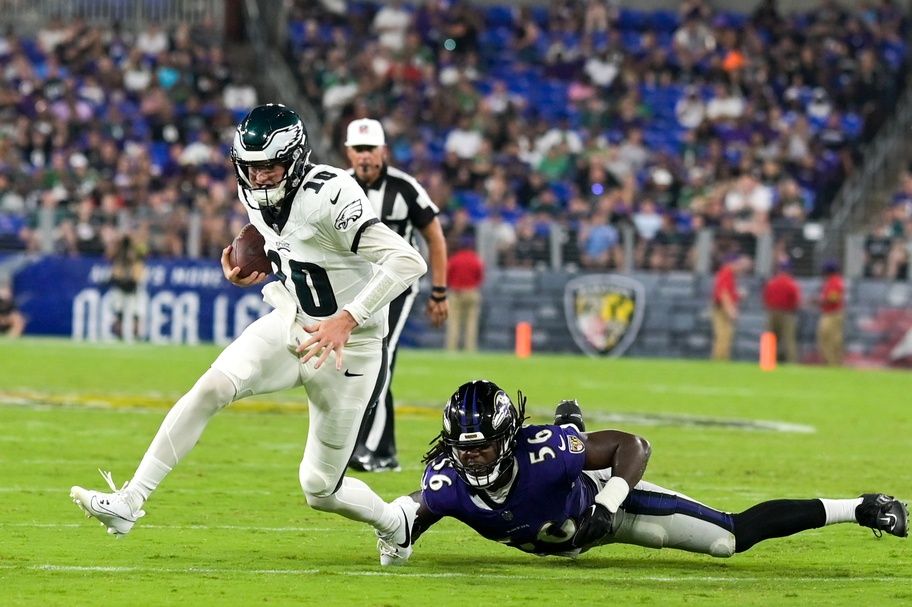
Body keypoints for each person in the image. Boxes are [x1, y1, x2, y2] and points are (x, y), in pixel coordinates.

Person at [71, 104, 426, 553]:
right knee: (210, 388)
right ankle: (130, 500)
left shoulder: (332, 193)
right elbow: (291, 246)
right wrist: (254, 267)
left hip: (347, 348)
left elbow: (407, 260)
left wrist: (347, 317)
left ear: (295, 160)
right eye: (251, 167)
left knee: (320, 489)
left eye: (269, 167)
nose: (258, 178)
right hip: (292, 321)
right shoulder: (253, 192)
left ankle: (395, 523)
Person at [376, 379, 908, 566]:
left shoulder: (546, 452)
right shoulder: (445, 484)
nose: (473, 459)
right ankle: (573, 418)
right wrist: (397, 538)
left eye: (485, 447)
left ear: (508, 438)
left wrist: (608, 506)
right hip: (564, 538)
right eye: (463, 449)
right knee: (572, 444)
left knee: (729, 539)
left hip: (601, 509)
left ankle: (858, 507)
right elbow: (417, 512)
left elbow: (634, 444)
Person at [344, 117, 448, 473]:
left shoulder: (405, 188)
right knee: (371, 362)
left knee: (380, 359)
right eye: (358, 150)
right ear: (349, 152)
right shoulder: (339, 187)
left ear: (383, 151)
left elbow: (434, 236)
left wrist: (439, 291)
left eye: (370, 149)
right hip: (358, 287)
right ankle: (385, 452)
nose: (365, 157)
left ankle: (363, 446)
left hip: (398, 287)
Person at [445, 235, 484, 352]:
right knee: (471, 323)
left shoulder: (454, 259)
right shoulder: (476, 259)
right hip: (471, 292)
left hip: (456, 292)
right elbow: (480, 277)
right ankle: (470, 348)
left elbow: (447, 275)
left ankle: (452, 348)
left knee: (453, 322)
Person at [710, 253, 752, 360]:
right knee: (723, 336)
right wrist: (731, 310)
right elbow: (723, 293)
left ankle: (722, 360)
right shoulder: (727, 271)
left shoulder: (730, 274)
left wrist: (738, 295)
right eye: (741, 266)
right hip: (721, 308)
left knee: (727, 335)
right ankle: (719, 361)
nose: (742, 270)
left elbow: (728, 292)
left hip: (722, 306)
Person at [107, 234, 146, 341]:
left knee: (136, 313)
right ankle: (119, 333)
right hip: (122, 290)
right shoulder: (119, 262)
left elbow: (136, 280)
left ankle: (136, 334)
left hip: (134, 291)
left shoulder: (137, 263)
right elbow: (114, 277)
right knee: (119, 312)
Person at [762, 259, 802, 363]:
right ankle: (791, 362)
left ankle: (767, 361)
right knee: (788, 339)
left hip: (772, 312)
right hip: (787, 313)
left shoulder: (772, 282)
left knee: (770, 338)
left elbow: (765, 297)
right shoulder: (791, 283)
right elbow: (796, 301)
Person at [817, 259, 845, 366]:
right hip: (831, 313)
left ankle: (833, 363)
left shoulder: (834, 281)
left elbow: (833, 298)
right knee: (828, 339)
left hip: (832, 314)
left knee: (831, 339)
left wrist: (819, 301)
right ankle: (829, 362)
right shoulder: (832, 281)